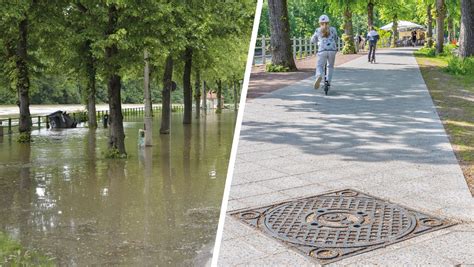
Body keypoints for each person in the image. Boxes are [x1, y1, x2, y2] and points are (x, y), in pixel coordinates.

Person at [310, 15, 338, 90]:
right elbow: (336, 38)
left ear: (320, 23)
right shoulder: (333, 29)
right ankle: (328, 82)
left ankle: (319, 75)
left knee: (320, 66)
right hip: (332, 50)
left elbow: (312, 40)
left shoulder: (318, 30)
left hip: (322, 50)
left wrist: (316, 41)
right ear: (328, 22)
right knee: (330, 66)